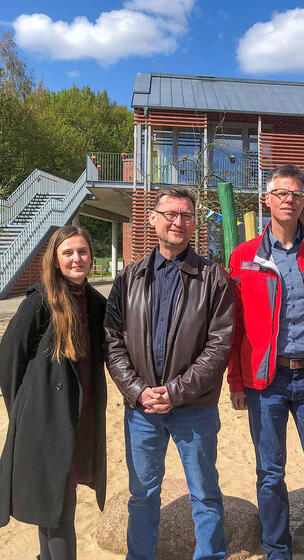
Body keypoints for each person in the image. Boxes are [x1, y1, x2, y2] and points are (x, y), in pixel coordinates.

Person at [228, 163, 304, 560]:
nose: (288, 199)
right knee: (270, 474)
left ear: (303, 202)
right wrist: (235, 381)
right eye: (281, 192)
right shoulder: (244, 256)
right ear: (266, 199)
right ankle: (277, 552)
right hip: (265, 381)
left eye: (296, 194)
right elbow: (232, 326)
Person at [104, 186, 234, 560]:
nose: (178, 222)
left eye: (187, 215)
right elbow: (112, 341)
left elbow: (218, 347)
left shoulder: (214, 279)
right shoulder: (129, 278)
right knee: (143, 495)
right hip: (141, 409)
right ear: (153, 219)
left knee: (205, 493)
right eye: (171, 214)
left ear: (195, 223)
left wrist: (174, 392)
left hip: (194, 408)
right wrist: (138, 391)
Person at [0, 225, 107, 560]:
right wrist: (26, 411)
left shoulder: (96, 304)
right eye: (68, 253)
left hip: (80, 417)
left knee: (54, 503)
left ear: (91, 257)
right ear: (56, 260)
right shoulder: (40, 303)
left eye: (82, 251)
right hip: (45, 420)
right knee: (58, 507)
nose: (76, 259)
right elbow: (9, 360)